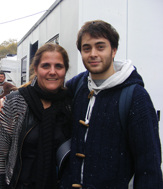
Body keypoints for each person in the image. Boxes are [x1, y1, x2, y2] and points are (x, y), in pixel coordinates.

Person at [60, 20, 163, 188]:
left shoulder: (136, 96)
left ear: (113, 50)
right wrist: (14, 98)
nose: (93, 54)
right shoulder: (78, 85)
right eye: (87, 48)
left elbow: (148, 165)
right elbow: (48, 93)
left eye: (100, 47)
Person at [0, 43, 73, 188]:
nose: (52, 71)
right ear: (36, 69)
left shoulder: (71, 104)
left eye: (58, 66)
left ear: (65, 70)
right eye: (46, 66)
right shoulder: (14, 103)